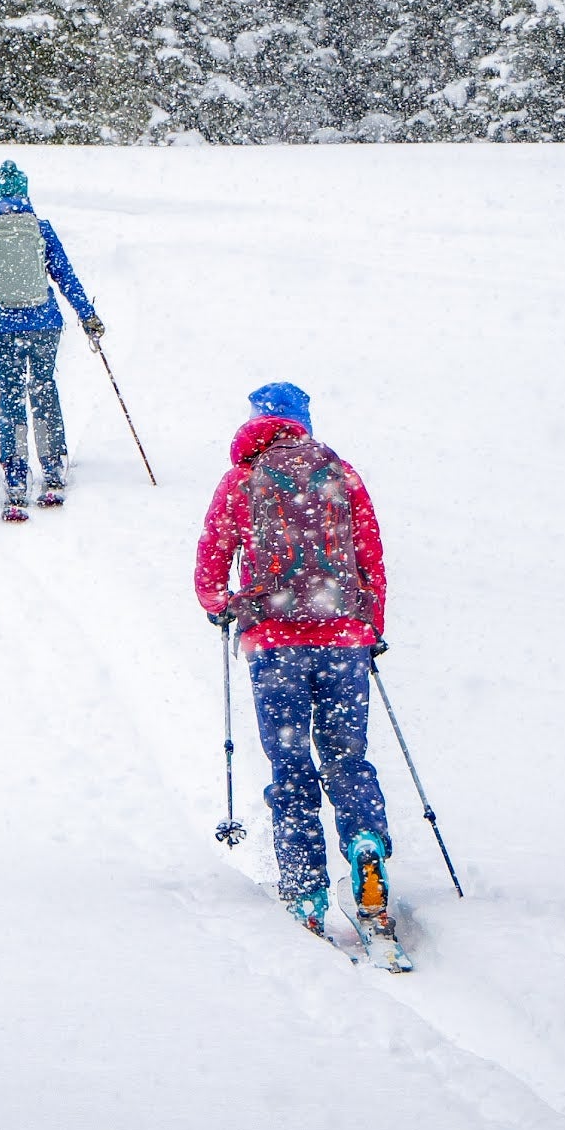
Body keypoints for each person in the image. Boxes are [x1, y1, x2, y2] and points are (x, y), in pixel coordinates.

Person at [192, 379, 397, 942]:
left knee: (291, 767)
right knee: (347, 758)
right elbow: (370, 557)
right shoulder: (340, 474)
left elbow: (210, 568)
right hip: (344, 645)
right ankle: (364, 845)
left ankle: (306, 889)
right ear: (303, 421)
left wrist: (224, 606)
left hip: (275, 646)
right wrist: (369, 627)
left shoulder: (241, 480)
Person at [0, 162, 105, 516]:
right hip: (44, 323)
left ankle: (15, 474)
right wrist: (87, 315)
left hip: (4, 328)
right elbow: (66, 277)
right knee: (43, 388)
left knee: (11, 396)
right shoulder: (41, 229)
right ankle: (52, 468)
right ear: (25, 194)